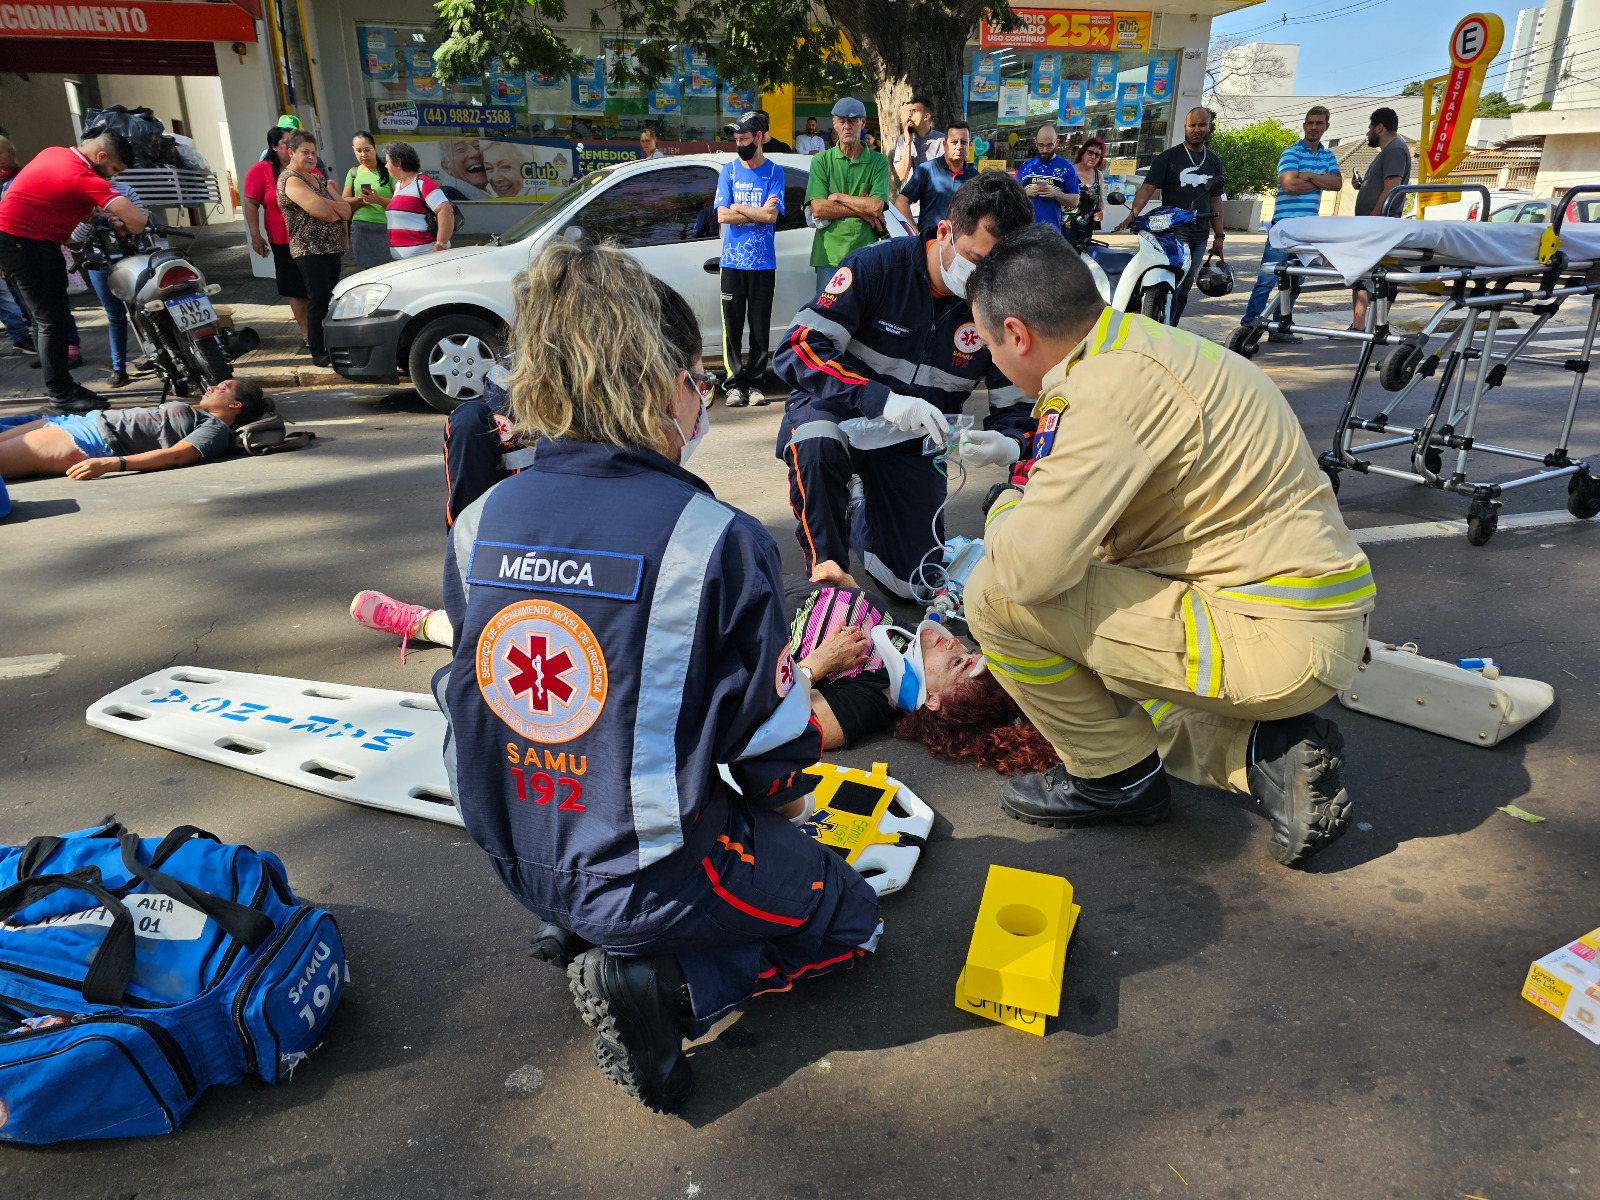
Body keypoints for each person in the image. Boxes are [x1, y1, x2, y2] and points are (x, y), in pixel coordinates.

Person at [435, 238, 882, 1113]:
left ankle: (582, 924)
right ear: (661, 380)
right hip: (649, 871)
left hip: (515, 855)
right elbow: (767, 753)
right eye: (699, 380)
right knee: (850, 922)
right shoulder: (712, 536)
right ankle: (668, 990)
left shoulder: (479, 518)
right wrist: (796, 842)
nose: (702, 400)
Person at [964, 226, 1373, 867]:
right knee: (1088, 604)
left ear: (1017, 334)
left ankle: (1114, 781)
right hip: (1299, 613)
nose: (991, 360)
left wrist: (1007, 505)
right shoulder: (1139, 350)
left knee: (993, 596)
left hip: (1275, 637)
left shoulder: (1100, 391)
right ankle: (1263, 754)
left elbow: (1026, 571)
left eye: (988, 343)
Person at [773, 172, 1036, 600]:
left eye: (998, 270)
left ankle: (860, 510)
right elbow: (798, 348)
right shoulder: (876, 267)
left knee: (915, 584)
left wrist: (1006, 444)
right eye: (976, 260)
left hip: (912, 441)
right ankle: (829, 584)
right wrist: (880, 399)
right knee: (815, 443)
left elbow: (1019, 407)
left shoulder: (997, 305)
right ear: (946, 232)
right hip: (838, 413)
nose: (983, 281)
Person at [0, 124, 146, 413]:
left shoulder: (54, 153)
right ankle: (60, 394)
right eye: (115, 169)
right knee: (51, 322)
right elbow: (138, 221)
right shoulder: (83, 175)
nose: (114, 176)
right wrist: (125, 224)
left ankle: (64, 386)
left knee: (52, 319)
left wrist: (105, 219)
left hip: (18, 243)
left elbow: (58, 200)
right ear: (102, 156)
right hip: (27, 245)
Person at [0, 379, 270, 481]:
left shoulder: (216, 429)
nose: (211, 388)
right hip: (73, 423)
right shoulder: (201, 413)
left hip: (85, 439)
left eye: (222, 388)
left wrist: (112, 463)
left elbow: (176, 456)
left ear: (235, 404)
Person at [1239, 106, 1341, 344]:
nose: (1314, 127)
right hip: (1283, 226)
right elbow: (1289, 186)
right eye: (1310, 122)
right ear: (1304, 125)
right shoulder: (1290, 152)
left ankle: (1280, 329)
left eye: (1319, 123)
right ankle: (1249, 326)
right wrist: (1319, 181)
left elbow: (1336, 184)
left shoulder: (1328, 156)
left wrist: (1307, 176)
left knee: (1296, 280)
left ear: (1326, 126)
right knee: (1268, 278)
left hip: (1308, 229)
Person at [1121, 106, 1225, 323]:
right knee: (1163, 282)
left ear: (1209, 127)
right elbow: (1148, 188)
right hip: (1172, 233)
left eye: (1201, 125)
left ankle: (1171, 330)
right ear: (1185, 127)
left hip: (1199, 235)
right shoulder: (1168, 158)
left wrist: (1219, 236)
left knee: (1184, 288)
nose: (1196, 129)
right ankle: (1150, 325)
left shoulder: (1214, 161)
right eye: (1192, 125)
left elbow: (1215, 199)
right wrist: (1134, 213)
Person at [715, 111, 785, 409]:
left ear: (759, 137)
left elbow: (772, 216)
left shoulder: (774, 172)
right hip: (732, 263)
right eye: (736, 139)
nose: (739, 144)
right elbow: (721, 215)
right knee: (732, 328)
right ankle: (734, 385)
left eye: (744, 138)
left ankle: (756, 384)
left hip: (762, 264)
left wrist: (739, 208)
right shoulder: (728, 172)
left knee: (759, 327)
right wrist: (753, 211)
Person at [277, 130, 350, 368]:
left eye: (313, 153)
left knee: (331, 301)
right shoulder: (290, 179)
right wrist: (333, 204)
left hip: (332, 249)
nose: (311, 157)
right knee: (318, 301)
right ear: (291, 153)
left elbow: (346, 213)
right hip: (310, 251)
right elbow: (325, 214)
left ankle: (332, 347)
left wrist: (328, 203)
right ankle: (319, 353)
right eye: (305, 152)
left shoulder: (317, 179)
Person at [804, 97, 891, 295]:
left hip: (866, 257)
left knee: (863, 322)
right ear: (834, 123)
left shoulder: (878, 162)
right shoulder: (821, 161)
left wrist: (838, 197)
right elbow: (818, 208)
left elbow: (876, 207)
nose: (847, 126)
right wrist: (862, 211)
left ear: (862, 122)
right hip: (829, 258)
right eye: (842, 121)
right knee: (827, 322)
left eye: (852, 121)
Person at [71, 177, 147, 388]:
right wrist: (91, 220)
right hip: (101, 263)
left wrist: (123, 223)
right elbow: (76, 236)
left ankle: (161, 358)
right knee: (115, 316)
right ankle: (119, 369)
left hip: (132, 259)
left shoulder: (125, 190)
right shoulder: (83, 197)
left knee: (144, 310)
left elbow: (141, 224)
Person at [243, 127, 311, 352]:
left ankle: (321, 328)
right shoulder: (261, 170)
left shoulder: (305, 167)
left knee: (317, 286)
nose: (290, 147)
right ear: (274, 146)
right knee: (296, 288)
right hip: (282, 240)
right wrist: (255, 235)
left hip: (312, 238)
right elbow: (251, 203)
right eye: (285, 143)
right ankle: (307, 333)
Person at [1350, 107, 1411, 332]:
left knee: (1369, 274)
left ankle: (1369, 326)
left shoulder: (1395, 149)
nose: (1368, 133)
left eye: (1369, 128)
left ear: (1379, 127)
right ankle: (1362, 325)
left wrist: (1374, 215)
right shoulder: (1388, 151)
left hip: (1379, 225)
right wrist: (1362, 185)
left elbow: (1392, 186)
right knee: (1364, 274)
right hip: (1375, 223)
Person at [895, 119, 978, 237]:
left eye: (963, 142)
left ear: (969, 145)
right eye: (954, 142)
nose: (959, 147)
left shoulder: (975, 177)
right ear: (944, 144)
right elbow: (901, 202)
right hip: (930, 243)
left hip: (961, 247)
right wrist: (913, 229)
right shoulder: (927, 170)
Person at [384, 142, 454, 259]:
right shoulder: (398, 186)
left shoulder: (422, 182)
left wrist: (439, 246)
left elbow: (446, 210)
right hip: (407, 262)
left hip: (425, 260)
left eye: (387, 161)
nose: (385, 166)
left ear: (398, 163)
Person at [342, 131, 394, 270]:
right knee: (368, 273)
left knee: (388, 271)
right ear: (353, 151)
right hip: (361, 229)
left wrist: (378, 200)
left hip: (386, 228)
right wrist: (359, 200)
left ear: (375, 148)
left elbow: (400, 204)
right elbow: (344, 201)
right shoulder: (353, 173)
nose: (363, 155)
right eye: (358, 151)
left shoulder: (389, 171)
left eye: (367, 150)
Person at [1015, 124, 1079, 231]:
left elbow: (1075, 202)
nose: (1044, 150)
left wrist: (1055, 193)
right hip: (1026, 232)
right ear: (1036, 142)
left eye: (1049, 145)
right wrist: (1026, 193)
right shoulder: (1026, 166)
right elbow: (1012, 198)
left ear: (1057, 143)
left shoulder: (1067, 167)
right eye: (1040, 145)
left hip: (1051, 233)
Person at [891, 98, 943, 187]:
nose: (909, 115)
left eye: (914, 111)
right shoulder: (902, 140)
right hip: (909, 198)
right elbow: (902, 176)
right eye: (909, 111)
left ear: (926, 116)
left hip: (932, 197)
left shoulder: (942, 141)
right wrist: (907, 143)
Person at [1071, 136, 1108, 231]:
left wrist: (1101, 212)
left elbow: (1100, 201)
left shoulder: (1098, 175)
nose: (1093, 157)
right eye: (1090, 152)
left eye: (1097, 155)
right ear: (1083, 152)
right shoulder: (1070, 171)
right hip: (1067, 226)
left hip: (1087, 227)